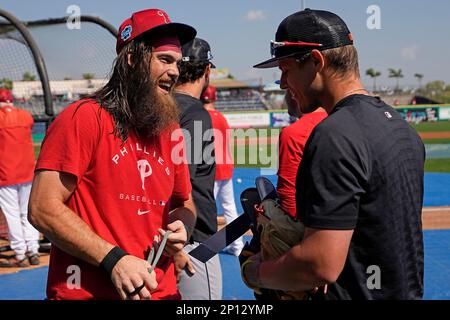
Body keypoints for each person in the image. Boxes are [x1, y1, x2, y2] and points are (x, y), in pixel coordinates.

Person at [242, 9, 425, 299]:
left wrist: (254, 272)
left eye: (286, 70)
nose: (285, 83)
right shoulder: (402, 127)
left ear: (316, 61)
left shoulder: (334, 134)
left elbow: (320, 264)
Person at [28, 8, 197, 300]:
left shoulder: (170, 132)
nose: (175, 71)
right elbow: (42, 209)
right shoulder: (83, 118)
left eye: (178, 63)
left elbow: (186, 204)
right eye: (164, 60)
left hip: (161, 292)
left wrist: (182, 228)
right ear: (132, 59)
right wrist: (113, 259)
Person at [173, 38, 222, 300]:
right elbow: (181, 184)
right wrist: (179, 246)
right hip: (191, 239)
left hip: (163, 237)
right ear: (207, 72)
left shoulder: (157, 106)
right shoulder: (195, 113)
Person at [201, 85, 244, 256]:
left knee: (206, 209)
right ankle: (237, 246)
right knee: (229, 208)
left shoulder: (201, 116)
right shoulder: (222, 118)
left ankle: (207, 245)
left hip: (210, 169)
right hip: (226, 166)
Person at [0, 88, 40, 268]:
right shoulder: (25, 115)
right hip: (27, 172)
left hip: (6, 174)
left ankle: (20, 254)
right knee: (26, 213)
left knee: (12, 215)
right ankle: (33, 250)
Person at [277, 90, 327, 217]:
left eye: (286, 90)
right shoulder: (340, 120)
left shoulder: (293, 133)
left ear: (294, 94)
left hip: (310, 224)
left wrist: (290, 231)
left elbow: (288, 192)